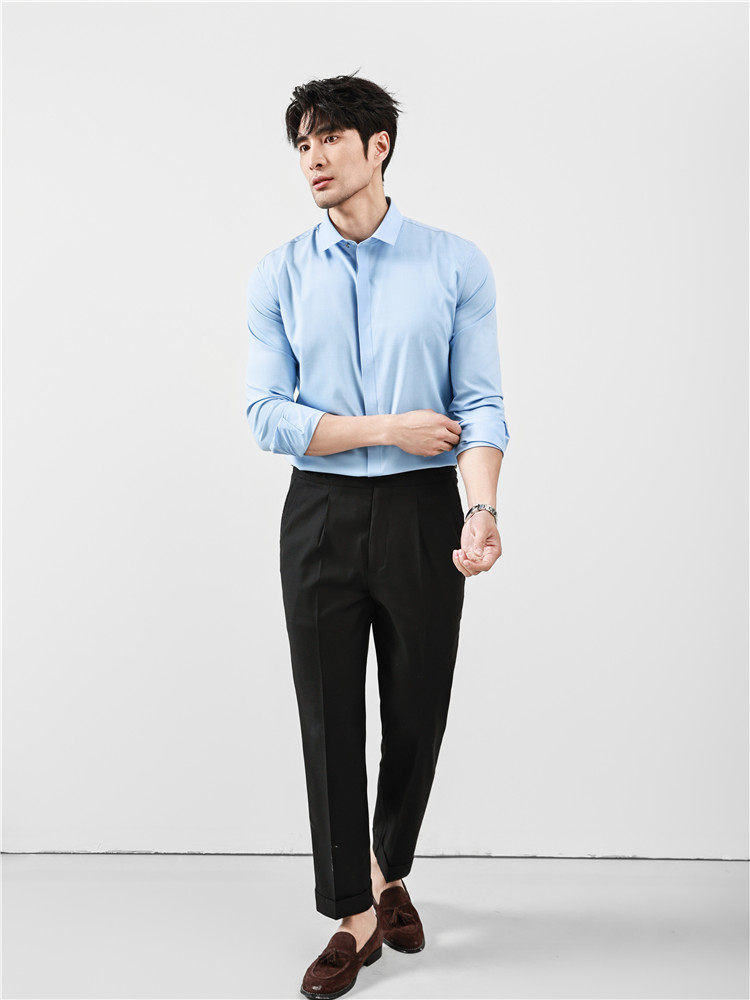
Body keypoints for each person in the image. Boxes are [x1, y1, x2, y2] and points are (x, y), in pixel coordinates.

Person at [244, 71, 510, 999]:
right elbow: (267, 415)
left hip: (423, 511)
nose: (313, 158)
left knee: (417, 709)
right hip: (318, 512)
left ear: (378, 146)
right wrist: (387, 427)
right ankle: (352, 913)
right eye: (302, 144)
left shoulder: (454, 264)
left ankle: (388, 868)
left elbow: (480, 406)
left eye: (329, 139)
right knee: (327, 716)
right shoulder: (279, 272)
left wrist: (481, 509)